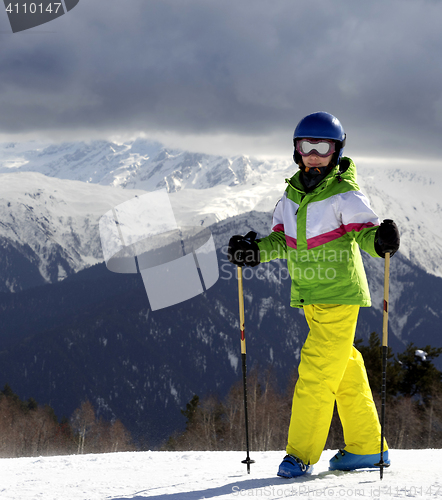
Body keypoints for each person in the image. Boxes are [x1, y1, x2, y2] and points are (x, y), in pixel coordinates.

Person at [227, 111, 400, 478]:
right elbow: (281, 240)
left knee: (316, 372)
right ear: (296, 150)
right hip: (311, 299)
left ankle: (301, 455)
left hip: (339, 296)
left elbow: (365, 233)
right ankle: (368, 447)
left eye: (323, 146)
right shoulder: (290, 197)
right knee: (344, 370)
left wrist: (380, 241)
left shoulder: (344, 194)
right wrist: (254, 250)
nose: (314, 154)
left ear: (336, 150)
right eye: (307, 146)